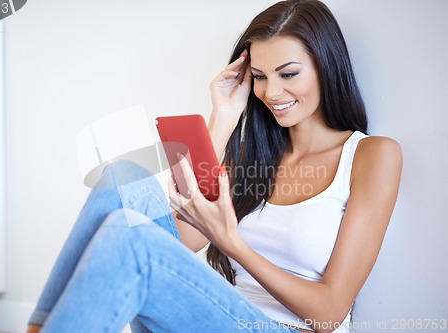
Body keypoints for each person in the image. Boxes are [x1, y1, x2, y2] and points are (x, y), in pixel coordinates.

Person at [27, 0, 402, 332]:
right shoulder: (253, 155)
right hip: (218, 315)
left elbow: (329, 313)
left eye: (288, 74)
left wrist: (232, 244)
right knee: (122, 178)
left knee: (134, 240)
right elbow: (184, 240)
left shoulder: (372, 155)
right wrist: (222, 118)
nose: (271, 92)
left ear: (326, 66)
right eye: (259, 77)